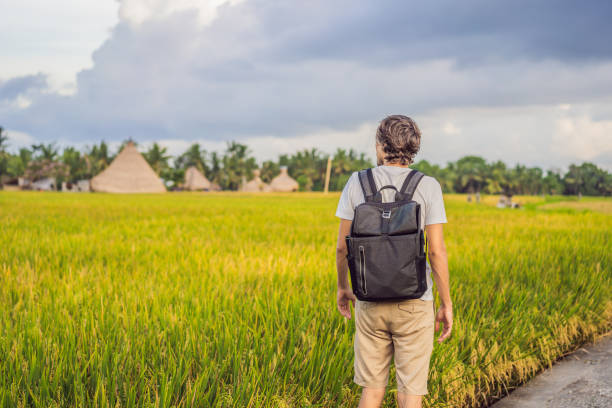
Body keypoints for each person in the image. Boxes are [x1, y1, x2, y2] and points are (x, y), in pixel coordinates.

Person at [335, 115, 453, 408]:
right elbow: (436, 251)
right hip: (414, 305)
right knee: (410, 394)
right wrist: (446, 303)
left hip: (369, 302)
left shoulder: (357, 182)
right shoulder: (427, 186)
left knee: (372, 392)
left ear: (380, 145)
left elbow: (341, 247)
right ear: (414, 148)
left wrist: (342, 287)